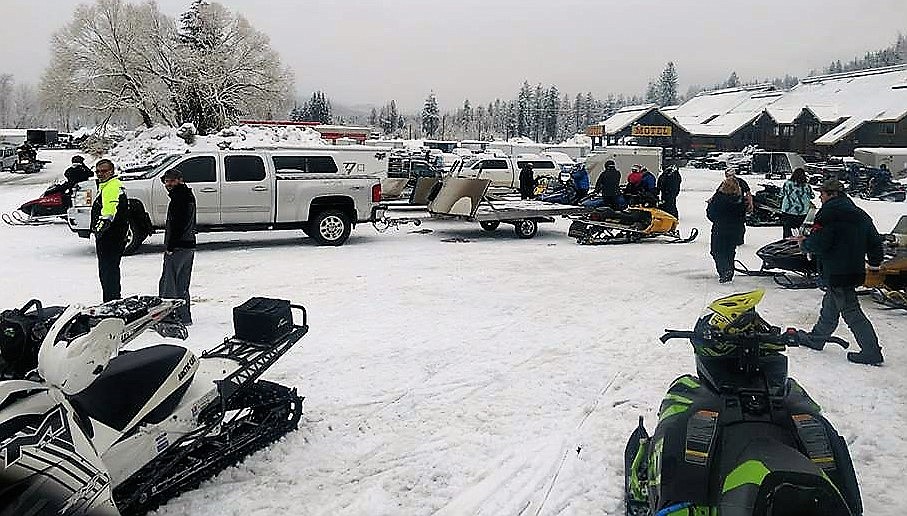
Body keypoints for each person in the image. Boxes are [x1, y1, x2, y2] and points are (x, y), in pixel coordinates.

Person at [797, 179, 885, 365]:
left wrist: (804, 243)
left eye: (823, 193)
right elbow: (875, 242)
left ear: (832, 194)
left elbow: (820, 243)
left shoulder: (827, 215)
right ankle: (817, 338)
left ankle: (871, 351)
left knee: (851, 311)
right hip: (853, 270)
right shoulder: (860, 214)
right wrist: (875, 263)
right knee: (831, 304)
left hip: (836, 271)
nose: (820, 196)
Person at [158, 169, 197, 324]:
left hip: (179, 247)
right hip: (189, 245)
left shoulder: (179, 198)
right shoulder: (187, 195)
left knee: (170, 283)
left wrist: (170, 246)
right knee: (182, 283)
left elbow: (177, 225)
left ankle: (170, 317)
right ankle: (184, 316)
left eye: (172, 181)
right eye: (167, 181)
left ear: (180, 180)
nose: (169, 184)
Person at [90, 159, 129, 302]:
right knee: (109, 271)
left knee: (108, 272)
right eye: (98, 171)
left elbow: (108, 213)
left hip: (111, 237)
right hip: (112, 236)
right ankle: (111, 300)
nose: (100, 174)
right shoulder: (107, 185)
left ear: (112, 171)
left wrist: (99, 230)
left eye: (104, 171)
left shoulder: (111, 187)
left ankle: (112, 302)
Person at [706, 177, 746, 283]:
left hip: (720, 228)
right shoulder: (739, 199)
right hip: (735, 228)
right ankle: (729, 269)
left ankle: (724, 270)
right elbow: (743, 215)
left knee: (717, 251)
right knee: (730, 251)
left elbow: (711, 213)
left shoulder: (718, 198)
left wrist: (716, 219)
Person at [779, 167, 814, 238]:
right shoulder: (807, 186)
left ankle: (786, 243)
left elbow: (781, 194)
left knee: (787, 230)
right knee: (800, 230)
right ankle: (798, 244)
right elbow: (812, 196)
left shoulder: (787, 184)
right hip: (802, 211)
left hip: (787, 210)